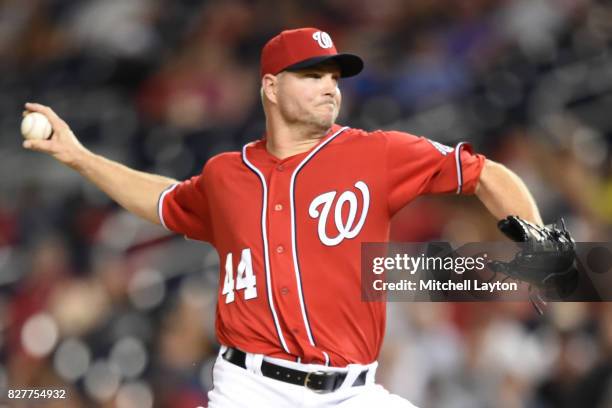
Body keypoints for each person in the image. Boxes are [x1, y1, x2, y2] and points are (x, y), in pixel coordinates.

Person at [22, 27, 542, 408]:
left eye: (333, 77)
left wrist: (543, 248)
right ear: (271, 87)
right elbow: (164, 201)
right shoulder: (228, 175)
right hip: (251, 389)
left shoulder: (377, 153)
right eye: (312, 75)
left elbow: (484, 174)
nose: (329, 87)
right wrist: (80, 157)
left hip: (354, 391)